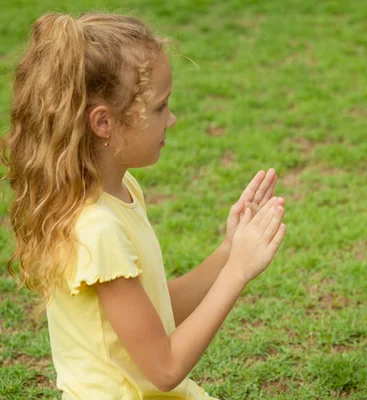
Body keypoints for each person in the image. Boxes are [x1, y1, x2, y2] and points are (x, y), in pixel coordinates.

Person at [1, 12, 286, 399]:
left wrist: (228, 251)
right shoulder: (96, 227)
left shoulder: (117, 191)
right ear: (103, 123)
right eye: (159, 107)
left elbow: (154, 313)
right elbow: (165, 368)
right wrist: (238, 272)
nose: (172, 119)